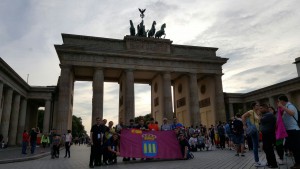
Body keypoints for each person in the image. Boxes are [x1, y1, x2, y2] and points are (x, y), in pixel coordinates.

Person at [277, 95, 300, 169]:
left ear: (282, 101)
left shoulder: (290, 106)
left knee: (296, 148)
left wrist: (282, 107)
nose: (278, 103)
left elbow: (292, 113)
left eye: (279, 101)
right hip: (290, 131)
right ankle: (297, 163)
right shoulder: (286, 106)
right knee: (293, 148)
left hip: (294, 130)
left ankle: (298, 164)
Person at [242, 102, 264, 167]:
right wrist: (244, 125)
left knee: (256, 145)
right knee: (255, 145)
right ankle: (257, 161)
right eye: (257, 105)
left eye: (258, 105)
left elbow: (259, 121)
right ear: (254, 106)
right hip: (253, 130)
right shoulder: (251, 111)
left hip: (256, 130)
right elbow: (243, 116)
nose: (258, 106)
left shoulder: (256, 113)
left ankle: (257, 161)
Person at [259, 104, 278, 168]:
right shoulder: (266, 115)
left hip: (269, 135)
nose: (260, 110)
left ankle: (273, 164)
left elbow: (261, 120)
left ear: (266, 108)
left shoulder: (269, 115)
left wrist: (259, 116)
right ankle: (269, 162)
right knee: (266, 149)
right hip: (266, 135)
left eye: (261, 108)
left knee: (269, 149)